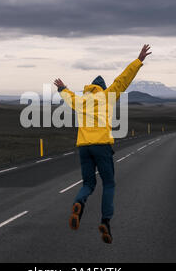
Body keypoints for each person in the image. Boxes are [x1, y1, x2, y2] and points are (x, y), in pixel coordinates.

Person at [53, 44, 152, 244]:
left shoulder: (81, 101)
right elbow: (123, 79)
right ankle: (105, 221)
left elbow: (68, 96)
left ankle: (79, 202)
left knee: (88, 183)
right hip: (101, 146)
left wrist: (62, 88)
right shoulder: (107, 96)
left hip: (84, 147)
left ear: (90, 88)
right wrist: (138, 60)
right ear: (103, 88)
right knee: (109, 183)